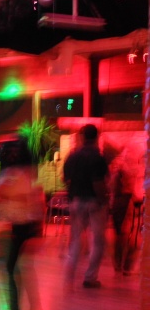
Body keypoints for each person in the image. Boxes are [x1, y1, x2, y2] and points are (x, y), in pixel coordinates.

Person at [0, 138, 46, 310]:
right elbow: (35, 203)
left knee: (10, 272)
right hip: (25, 227)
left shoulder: (10, 175)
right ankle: (31, 309)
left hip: (13, 227)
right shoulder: (27, 175)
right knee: (20, 271)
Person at [63, 124, 109, 291]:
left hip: (76, 201)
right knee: (97, 241)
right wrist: (104, 201)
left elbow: (65, 179)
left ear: (82, 137)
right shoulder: (98, 158)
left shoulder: (72, 157)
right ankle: (90, 278)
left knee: (75, 241)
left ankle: (69, 278)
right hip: (94, 203)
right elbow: (98, 183)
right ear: (97, 137)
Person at [108, 148, 143, 277]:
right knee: (132, 235)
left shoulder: (118, 172)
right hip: (130, 202)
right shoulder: (133, 171)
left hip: (119, 203)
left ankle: (119, 265)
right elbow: (136, 190)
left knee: (121, 235)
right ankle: (127, 266)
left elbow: (112, 188)